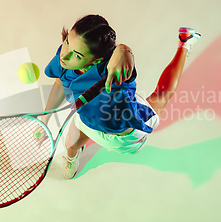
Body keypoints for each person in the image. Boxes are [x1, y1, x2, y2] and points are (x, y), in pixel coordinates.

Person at [40, 15, 200, 179]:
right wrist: (45, 118)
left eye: (77, 55)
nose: (65, 55)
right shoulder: (65, 58)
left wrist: (124, 50)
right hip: (86, 120)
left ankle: (184, 44)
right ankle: (72, 157)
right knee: (71, 148)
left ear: (98, 60)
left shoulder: (114, 72)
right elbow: (60, 81)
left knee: (162, 95)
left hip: (122, 135)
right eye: (67, 41)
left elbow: (124, 60)